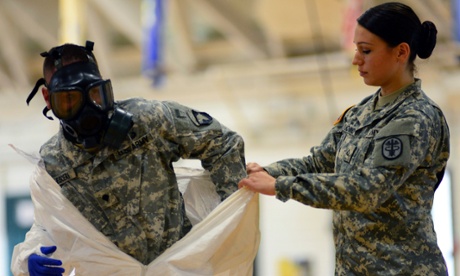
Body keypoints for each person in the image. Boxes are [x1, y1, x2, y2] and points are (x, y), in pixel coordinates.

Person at [238, 2, 450, 275]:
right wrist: (266, 171)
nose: (356, 60)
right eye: (356, 49)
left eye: (366, 51)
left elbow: (366, 190)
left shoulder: (415, 117)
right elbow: (317, 163)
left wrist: (281, 185)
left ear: (401, 52)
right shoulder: (359, 114)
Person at [13, 41, 247, 275]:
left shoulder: (147, 121)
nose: (88, 110)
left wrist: (226, 225)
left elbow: (223, 142)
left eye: (96, 95)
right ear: (48, 98)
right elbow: (48, 225)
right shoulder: (53, 164)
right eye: (69, 101)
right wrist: (29, 257)